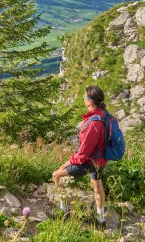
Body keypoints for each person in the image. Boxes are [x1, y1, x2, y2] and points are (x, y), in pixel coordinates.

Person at [52, 85, 107, 227]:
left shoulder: (94, 123)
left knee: (57, 175)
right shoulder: (102, 115)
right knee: (97, 187)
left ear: (90, 101)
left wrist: (69, 161)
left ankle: (62, 211)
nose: (83, 99)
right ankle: (101, 220)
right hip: (100, 160)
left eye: (85, 97)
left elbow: (84, 152)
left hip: (89, 162)